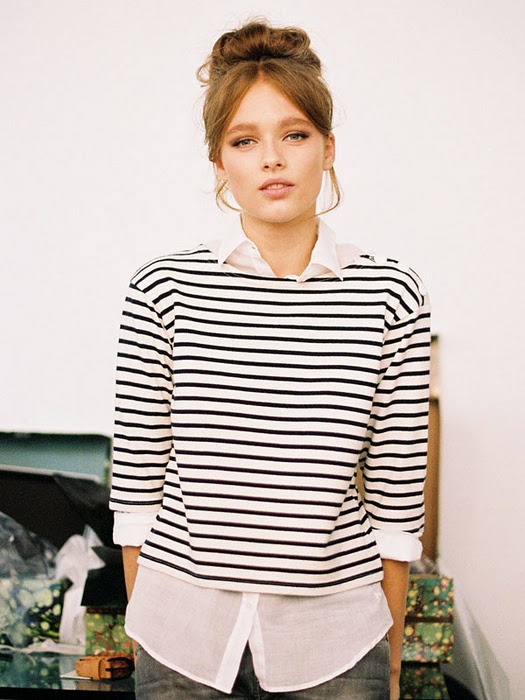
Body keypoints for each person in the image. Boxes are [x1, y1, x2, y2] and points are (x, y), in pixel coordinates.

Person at [109, 19, 431, 700]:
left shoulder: (390, 293)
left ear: (328, 148)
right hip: (180, 638)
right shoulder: (162, 289)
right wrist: (148, 632)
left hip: (339, 642)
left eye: (295, 135)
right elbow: (135, 493)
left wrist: (393, 652)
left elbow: (397, 504)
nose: (272, 160)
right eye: (244, 140)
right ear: (218, 162)